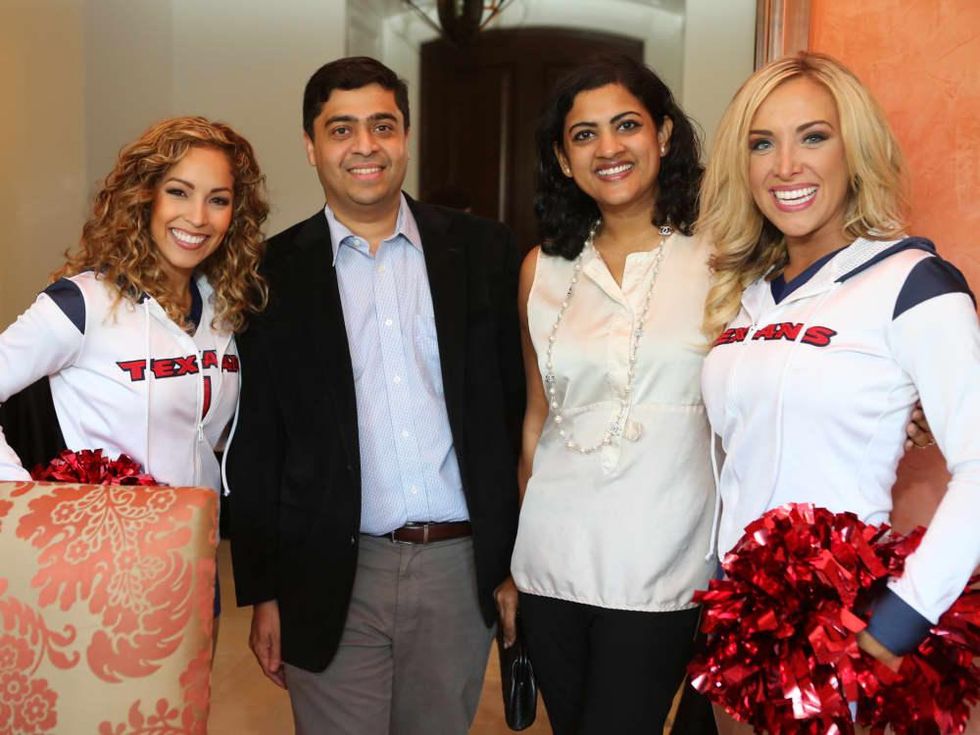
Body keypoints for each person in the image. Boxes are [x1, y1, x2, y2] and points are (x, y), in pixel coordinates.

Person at [225, 56, 524, 735]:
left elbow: (513, 414)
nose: (365, 145)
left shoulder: (484, 253)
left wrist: (512, 562)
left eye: (382, 126)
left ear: (406, 137)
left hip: (456, 567)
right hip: (328, 567)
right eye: (341, 129)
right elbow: (258, 443)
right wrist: (263, 590)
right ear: (311, 145)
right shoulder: (268, 274)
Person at [699, 52, 980, 727]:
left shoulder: (913, 282)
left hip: (844, 639)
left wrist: (895, 625)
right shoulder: (746, 294)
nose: (785, 165)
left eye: (814, 136)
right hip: (735, 631)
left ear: (855, 152)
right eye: (762, 142)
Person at [498, 55, 718, 734]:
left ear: (665, 135)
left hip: (665, 563)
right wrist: (512, 570)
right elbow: (537, 424)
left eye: (627, 125)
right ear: (564, 161)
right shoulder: (542, 268)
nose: (608, 148)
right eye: (584, 134)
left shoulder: (724, 260)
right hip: (551, 564)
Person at [0, 115, 268, 496]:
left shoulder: (224, 306)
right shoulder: (83, 304)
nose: (197, 217)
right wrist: (25, 495)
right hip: (104, 545)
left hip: (196, 544)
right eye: (179, 192)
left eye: (218, 200)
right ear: (146, 197)